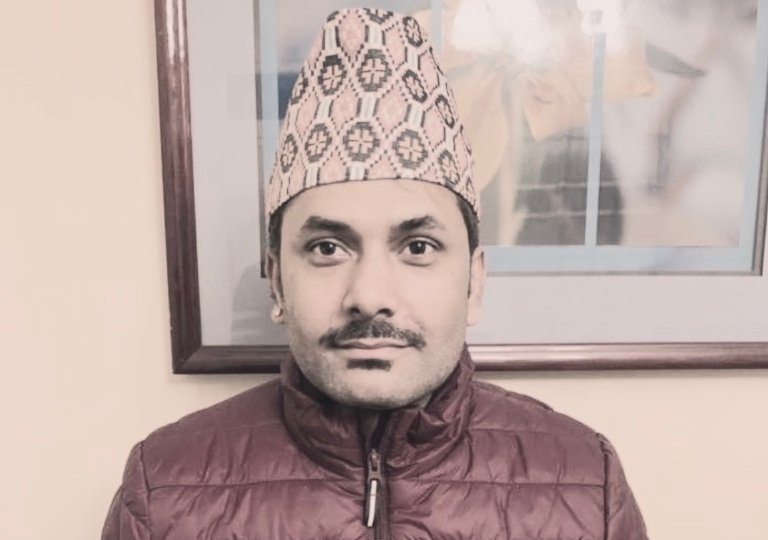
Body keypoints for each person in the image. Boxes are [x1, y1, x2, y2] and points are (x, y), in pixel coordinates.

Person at [103, 8, 647, 539]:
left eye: (417, 247)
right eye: (327, 248)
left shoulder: (587, 489)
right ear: (276, 281)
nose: (368, 295)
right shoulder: (163, 494)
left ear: (474, 282)